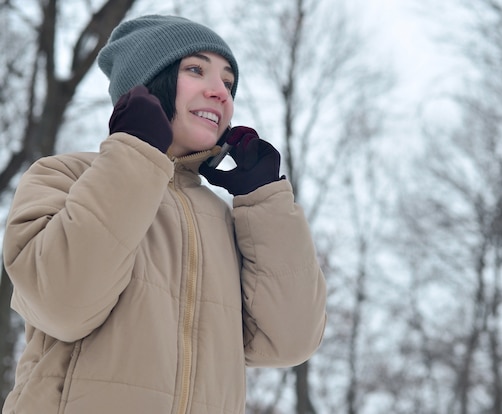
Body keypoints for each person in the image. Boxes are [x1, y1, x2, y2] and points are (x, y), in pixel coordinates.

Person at [2, 15, 327, 414]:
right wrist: (134, 151)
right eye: (195, 69)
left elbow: (288, 342)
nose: (221, 93)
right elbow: (63, 304)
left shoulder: (227, 221)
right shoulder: (63, 177)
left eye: (228, 83)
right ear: (147, 85)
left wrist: (264, 201)